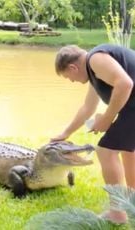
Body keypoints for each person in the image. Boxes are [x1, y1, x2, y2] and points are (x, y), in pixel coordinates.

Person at [52, 43, 135, 224]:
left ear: (73, 67)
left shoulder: (96, 59)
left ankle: (118, 213)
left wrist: (107, 118)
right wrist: (65, 133)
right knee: (128, 150)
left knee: (105, 151)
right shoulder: (94, 72)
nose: (71, 81)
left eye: (69, 77)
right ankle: (131, 201)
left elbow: (125, 84)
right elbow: (88, 108)